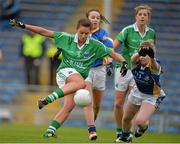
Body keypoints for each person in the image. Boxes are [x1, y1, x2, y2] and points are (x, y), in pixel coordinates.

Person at [9, 18, 128, 140]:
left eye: (86, 33)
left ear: (90, 33)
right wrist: (24, 26)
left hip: (74, 81)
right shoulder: (66, 38)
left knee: (69, 106)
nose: (83, 35)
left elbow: (112, 53)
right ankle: (49, 98)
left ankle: (51, 130)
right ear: (76, 30)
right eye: (81, 32)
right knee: (82, 83)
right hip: (64, 73)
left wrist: (124, 62)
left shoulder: (95, 45)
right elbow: (44, 32)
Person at [113, 4, 156, 141]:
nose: (142, 16)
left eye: (145, 15)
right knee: (118, 103)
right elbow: (113, 47)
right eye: (140, 14)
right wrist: (108, 59)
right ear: (136, 16)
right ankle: (120, 131)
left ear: (148, 18)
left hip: (139, 71)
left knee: (133, 102)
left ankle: (128, 134)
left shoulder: (151, 33)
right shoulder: (127, 30)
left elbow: (152, 52)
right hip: (123, 68)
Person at [116, 40, 165, 142]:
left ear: (151, 55)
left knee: (139, 121)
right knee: (125, 119)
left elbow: (155, 66)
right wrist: (140, 52)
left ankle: (143, 127)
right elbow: (132, 58)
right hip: (137, 92)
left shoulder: (155, 66)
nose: (142, 57)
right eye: (141, 54)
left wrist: (151, 56)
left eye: (145, 55)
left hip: (152, 95)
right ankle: (125, 137)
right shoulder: (136, 63)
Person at [85, 9, 113, 121]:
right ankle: (91, 128)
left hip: (100, 70)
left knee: (97, 106)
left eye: (97, 18)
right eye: (93, 17)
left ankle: (93, 120)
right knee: (88, 101)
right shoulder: (82, 32)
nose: (95, 19)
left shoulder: (102, 34)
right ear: (87, 18)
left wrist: (110, 64)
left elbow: (110, 50)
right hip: (86, 70)